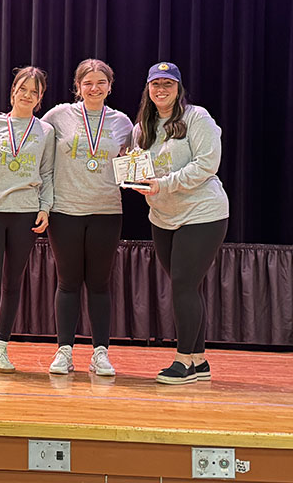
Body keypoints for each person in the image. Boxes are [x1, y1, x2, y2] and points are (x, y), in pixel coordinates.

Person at [132, 62, 229, 385]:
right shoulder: (142, 128)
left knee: (183, 285)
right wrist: (136, 180)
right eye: (156, 84)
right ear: (148, 88)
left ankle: (183, 360)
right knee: (186, 286)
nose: (161, 89)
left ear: (178, 88)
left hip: (202, 213)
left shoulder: (196, 117)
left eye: (168, 84)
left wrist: (165, 183)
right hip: (162, 216)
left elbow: (207, 164)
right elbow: (138, 167)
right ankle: (200, 362)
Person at [41, 59, 133, 376]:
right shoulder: (57, 116)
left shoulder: (123, 123)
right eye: (87, 83)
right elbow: (24, 129)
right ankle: (64, 352)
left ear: (110, 86)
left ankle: (100, 353)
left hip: (107, 210)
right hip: (65, 210)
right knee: (67, 283)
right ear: (77, 87)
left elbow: (136, 159)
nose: (94, 88)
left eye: (101, 82)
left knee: (99, 284)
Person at [0, 67, 54, 373]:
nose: (27, 95)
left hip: (25, 214)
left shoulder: (46, 131)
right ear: (13, 90)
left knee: (12, 284)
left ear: (41, 98)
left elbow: (47, 173)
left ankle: (1, 348)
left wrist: (45, 207)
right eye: (23, 89)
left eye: (35, 91)